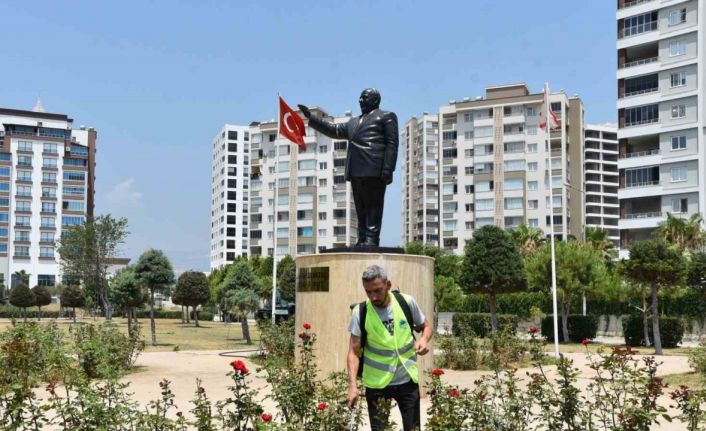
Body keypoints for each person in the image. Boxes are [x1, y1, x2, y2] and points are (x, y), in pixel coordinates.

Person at [297, 88, 398, 247]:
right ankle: (362, 237)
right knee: (360, 207)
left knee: (373, 206)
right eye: (359, 97)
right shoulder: (353, 122)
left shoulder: (387, 116)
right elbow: (334, 130)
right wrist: (312, 119)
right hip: (356, 170)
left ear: (375, 99)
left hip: (375, 169)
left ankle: (372, 239)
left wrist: (388, 169)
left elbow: (392, 144)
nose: (360, 100)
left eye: (364, 97)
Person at [346, 265, 432, 431]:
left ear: (388, 285)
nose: (373, 296)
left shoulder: (406, 302)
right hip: (377, 384)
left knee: (413, 429)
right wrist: (352, 386)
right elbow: (353, 352)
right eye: (368, 292)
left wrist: (424, 340)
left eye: (377, 290)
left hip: (407, 379)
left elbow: (426, 327)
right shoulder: (360, 312)